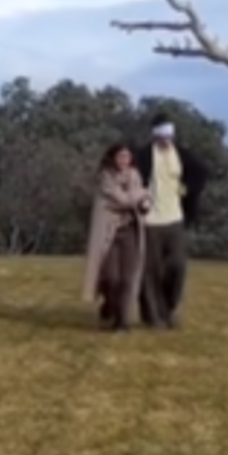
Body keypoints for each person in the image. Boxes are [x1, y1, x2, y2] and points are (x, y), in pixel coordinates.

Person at [134, 112, 207, 329]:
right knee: (150, 272)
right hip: (149, 221)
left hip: (175, 218)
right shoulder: (143, 156)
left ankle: (168, 309)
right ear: (154, 136)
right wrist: (140, 197)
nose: (166, 140)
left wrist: (188, 190)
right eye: (162, 136)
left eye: (170, 136)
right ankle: (153, 316)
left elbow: (201, 172)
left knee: (177, 266)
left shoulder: (182, 155)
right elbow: (130, 178)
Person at [82, 142, 151, 332]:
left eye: (127, 157)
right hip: (109, 232)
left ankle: (122, 322)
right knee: (111, 277)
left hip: (131, 231)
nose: (124, 161)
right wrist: (144, 193)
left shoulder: (135, 176)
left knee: (128, 278)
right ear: (112, 157)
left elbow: (141, 203)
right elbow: (123, 200)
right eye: (120, 156)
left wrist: (144, 203)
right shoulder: (106, 177)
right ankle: (109, 305)